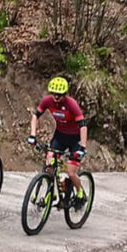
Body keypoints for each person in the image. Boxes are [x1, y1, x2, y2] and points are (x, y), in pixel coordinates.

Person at [27, 77, 88, 208]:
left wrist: (82, 147)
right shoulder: (47, 101)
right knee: (49, 165)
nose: (55, 96)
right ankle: (52, 191)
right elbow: (35, 116)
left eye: (59, 94)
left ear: (64, 94)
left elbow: (83, 126)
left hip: (75, 138)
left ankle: (80, 193)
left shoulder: (71, 104)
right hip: (60, 136)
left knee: (71, 172)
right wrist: (32, 135)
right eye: (53, 93)